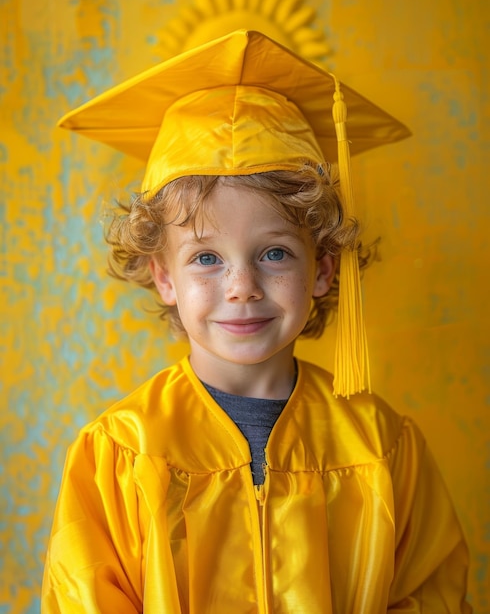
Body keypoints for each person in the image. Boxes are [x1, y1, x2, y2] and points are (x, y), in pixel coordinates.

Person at [41, 30, 471, 613]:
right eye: (206, 258)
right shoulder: (118, 451)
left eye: (274, 253)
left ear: (322, 268)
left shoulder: (381, 445)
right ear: (164, 277)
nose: (242, 287)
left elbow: (430, 596)